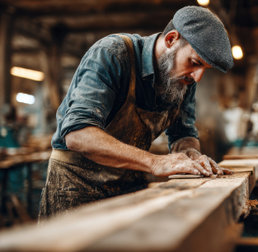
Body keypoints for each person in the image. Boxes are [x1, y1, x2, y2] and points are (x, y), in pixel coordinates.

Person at [39, 6, 234, 218]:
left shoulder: (184, 79)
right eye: (195, 63)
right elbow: (78, 135)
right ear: (171, 39)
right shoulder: (112, 54)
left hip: (128, 189)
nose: (197, 77)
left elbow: (183, 133)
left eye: (205, 69)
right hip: (76, 189)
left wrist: (191, 152)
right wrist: (155, 162)